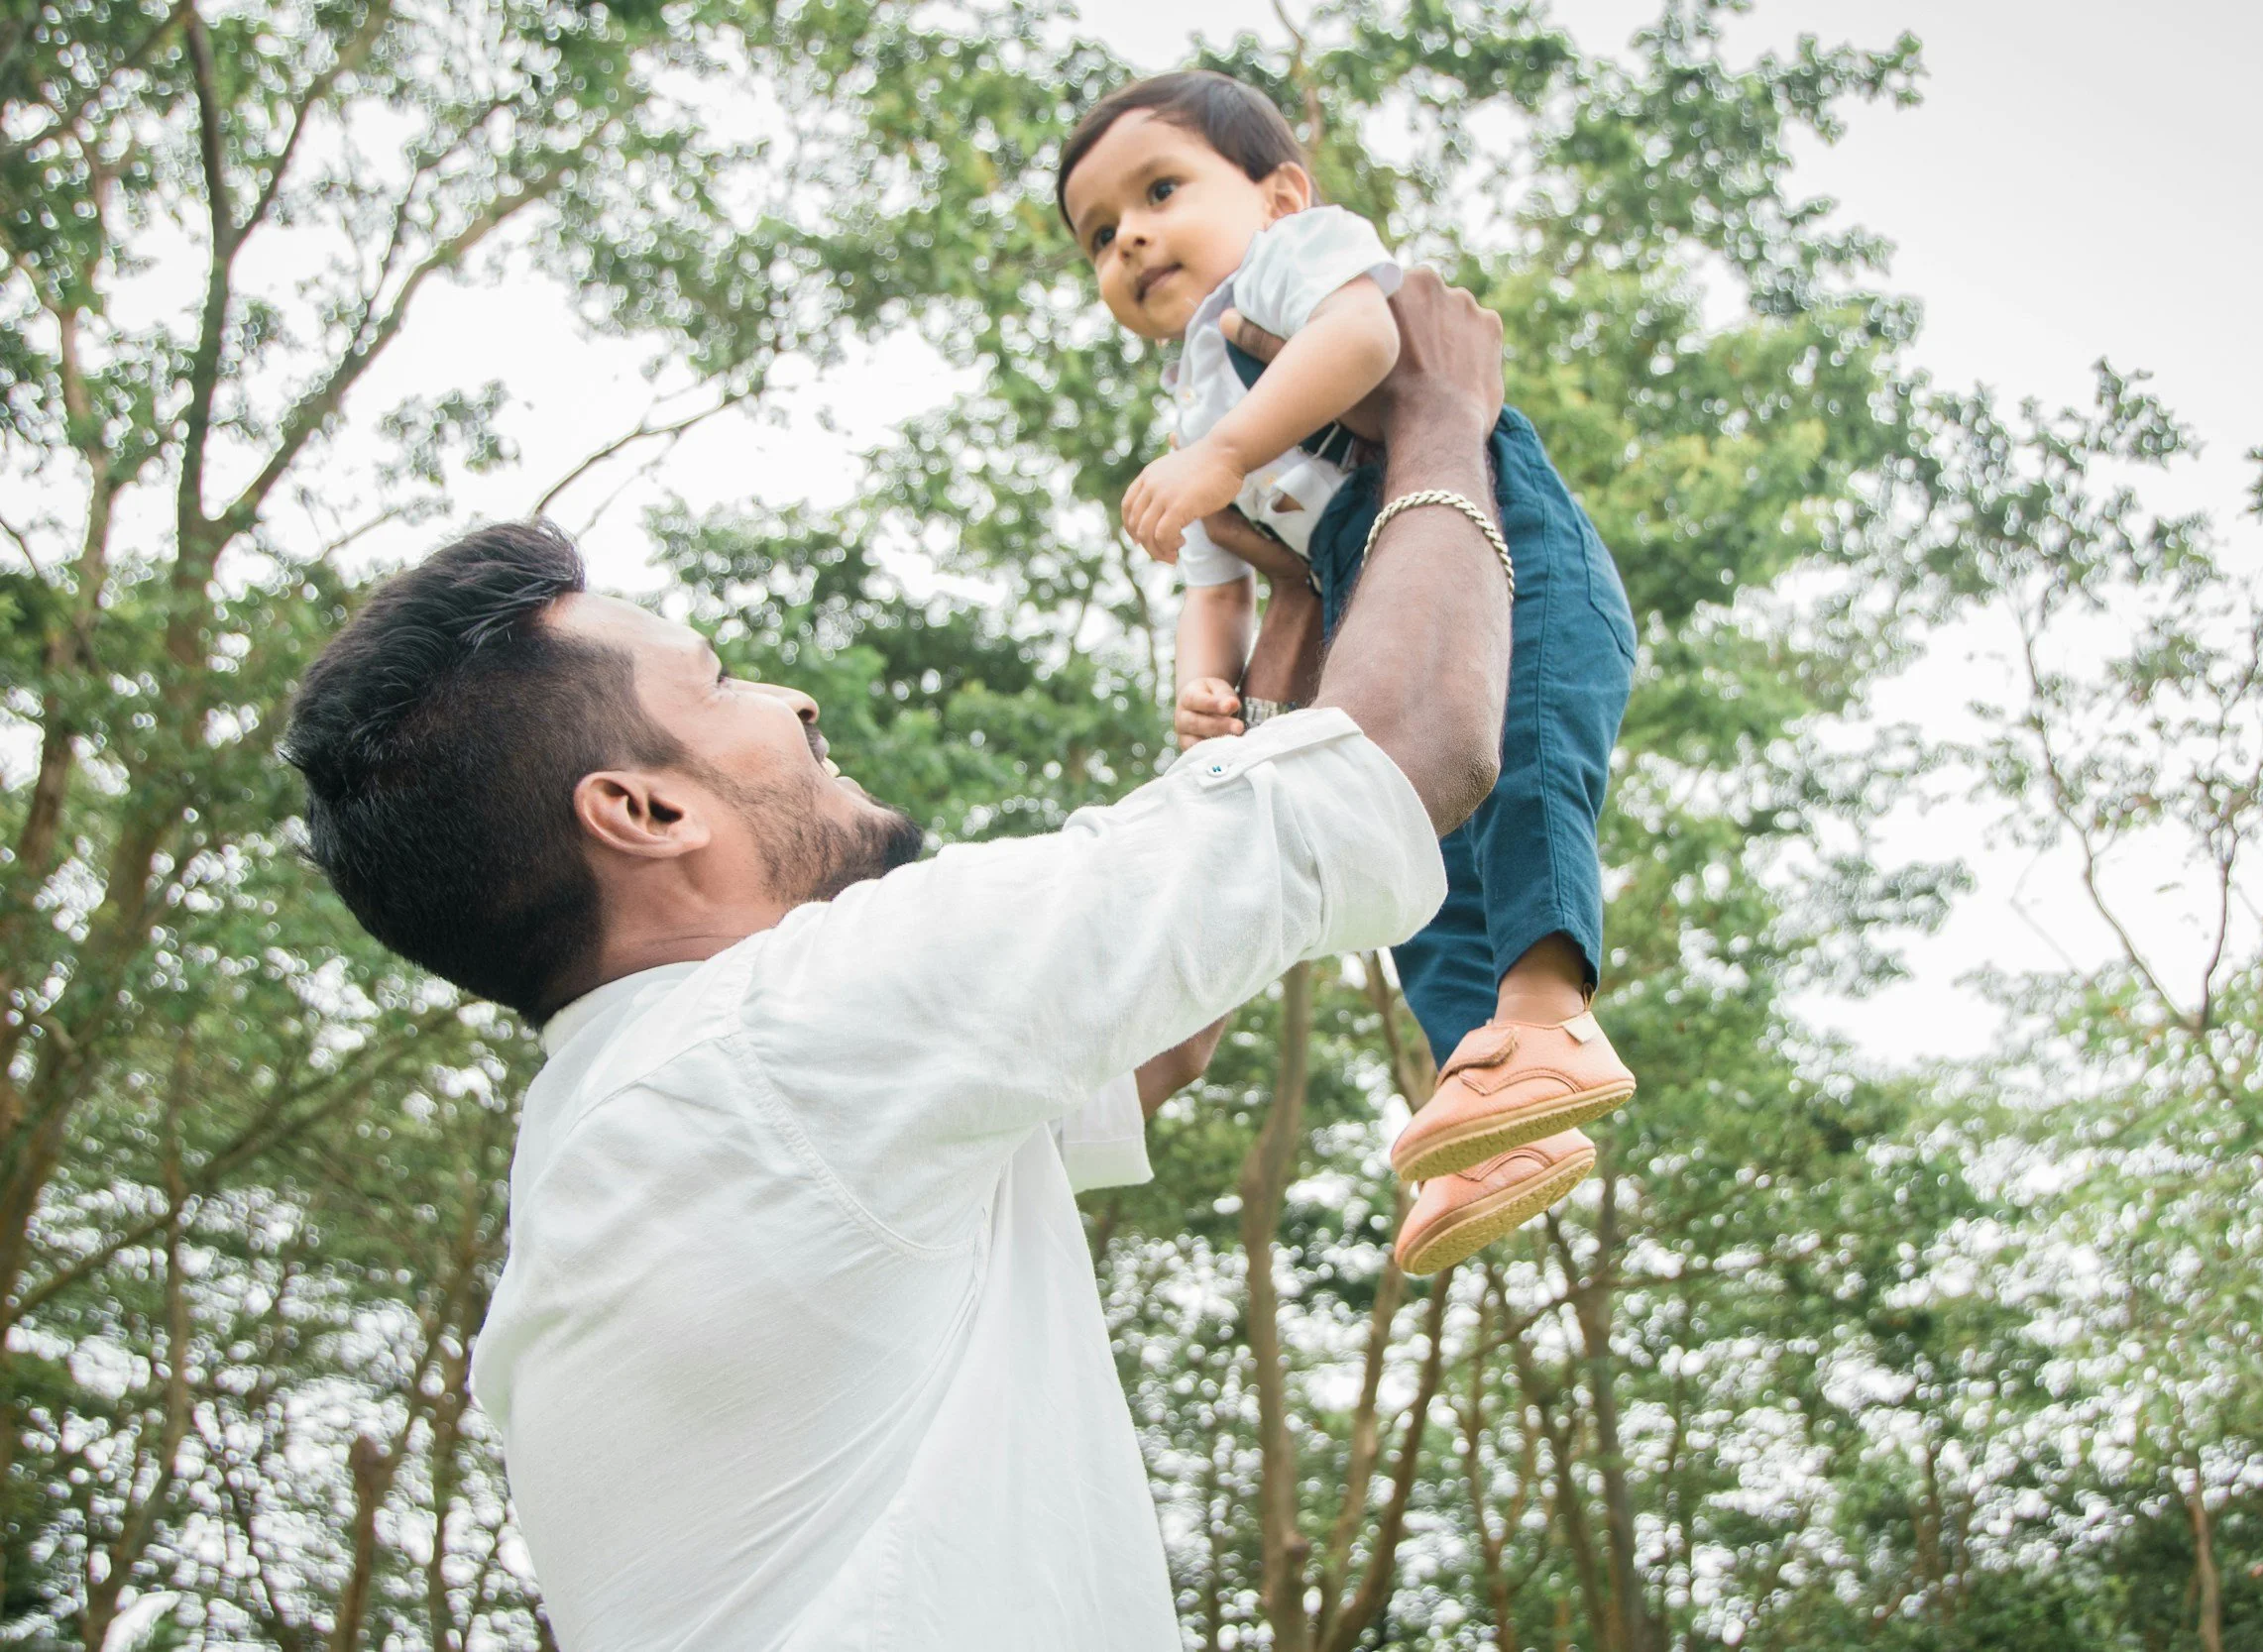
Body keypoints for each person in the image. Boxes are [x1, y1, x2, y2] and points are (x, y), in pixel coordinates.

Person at [283, 273, 1518, 1649]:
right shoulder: (788, 1033)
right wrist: (1447, 416)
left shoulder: (643, 1125)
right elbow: (1413, 748)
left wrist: (1286, 619)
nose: (791, 698)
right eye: (721, 681)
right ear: (645, 810)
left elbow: (1152, 1038)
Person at [1056, 69, 1641, 1273]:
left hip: (1506, 550)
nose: (1133, 239)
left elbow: (1370, 334)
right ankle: (1487, 1109)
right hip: (1394, 603)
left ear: (1277, 196)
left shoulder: (1284, 269)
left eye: (1160, 191)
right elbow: (1213, 588)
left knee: (1523, 766)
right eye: (1101, 236)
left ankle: (1550, 1022)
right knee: (1412, 865)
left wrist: (1226, 451)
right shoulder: (1192, 413)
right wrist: (1204, 699)